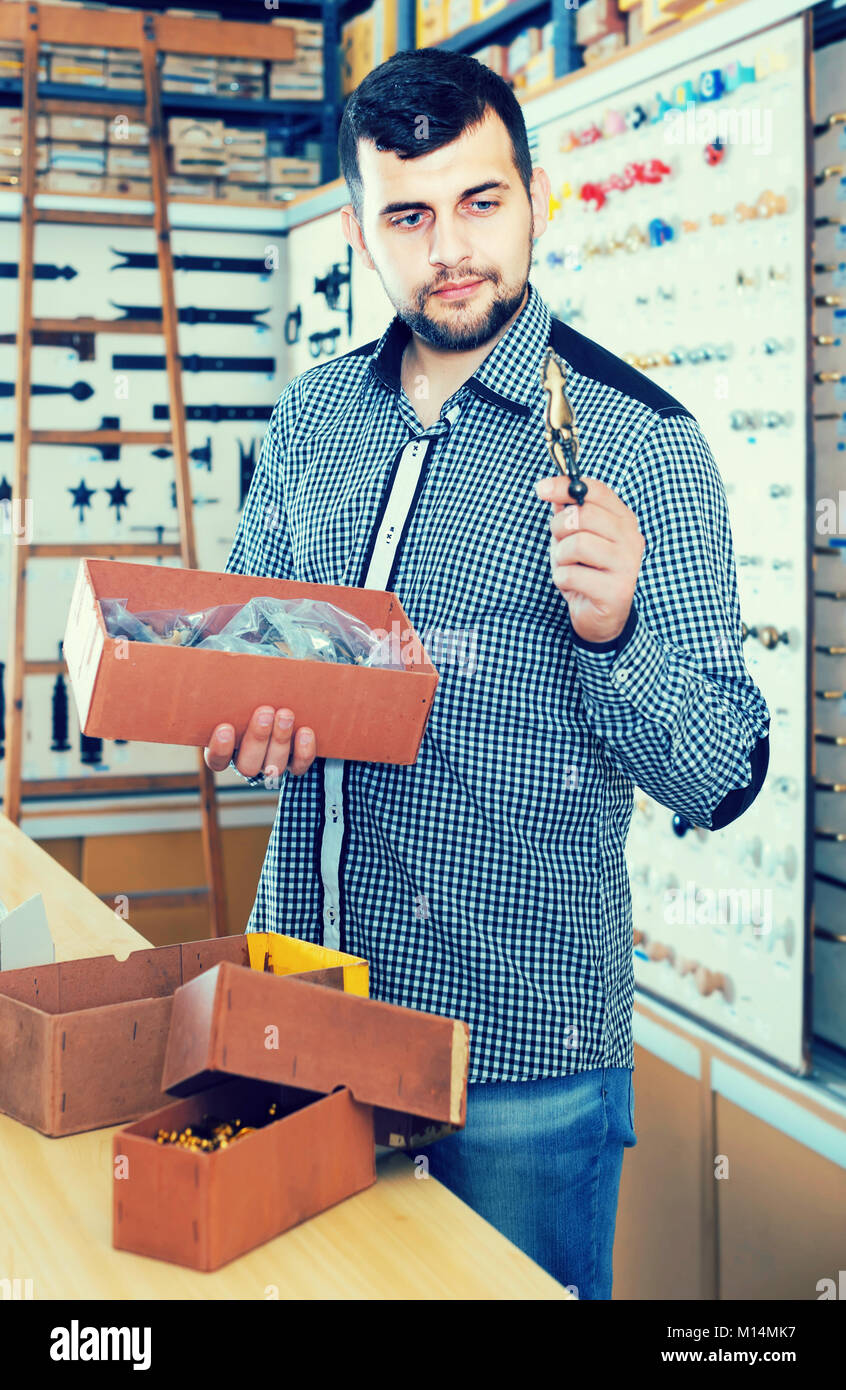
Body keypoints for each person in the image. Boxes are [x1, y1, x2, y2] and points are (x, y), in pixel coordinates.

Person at [204, 48, 771, 1299]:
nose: (449, 246)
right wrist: (244, 716)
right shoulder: (311, 418)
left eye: (480, 202)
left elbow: (724, 771)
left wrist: (619, 632)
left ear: (534, 198)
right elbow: (248, 654)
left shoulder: (645, 445)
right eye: (408, 215)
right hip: (308, 1010)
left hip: (520, 1066)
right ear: (361, 229)